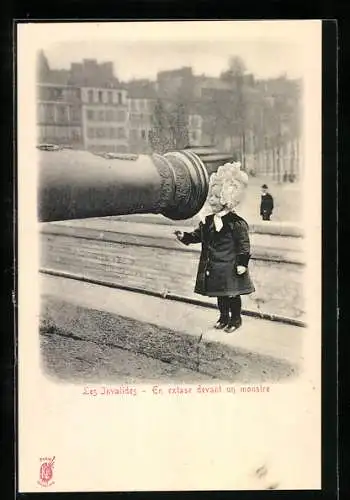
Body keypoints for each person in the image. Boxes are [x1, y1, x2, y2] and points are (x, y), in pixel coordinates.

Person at [174, 162, 255, 333]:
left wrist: (242, 263)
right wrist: (185, 237)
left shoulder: (236, 223)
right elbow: (199, 236)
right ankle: (223, 317)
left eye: (216, 197)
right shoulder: (208, 221)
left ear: (227, 199)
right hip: (215, 266)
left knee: (232, 294)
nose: (211, 200)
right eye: (211, 196)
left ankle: (235, 319)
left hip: (230, 267)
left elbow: (243, 245)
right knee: (220, 294)